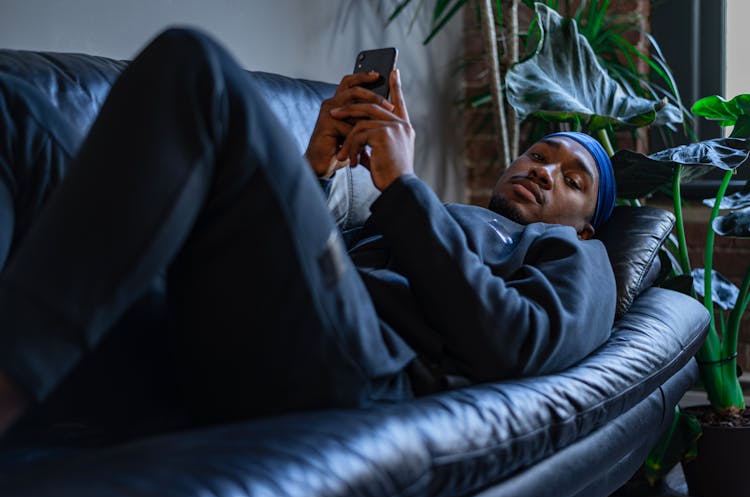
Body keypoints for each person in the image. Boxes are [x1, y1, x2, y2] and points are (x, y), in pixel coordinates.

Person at [0, 28, 617, 437]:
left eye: (573, 179)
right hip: (272, 320)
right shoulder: (454, 219)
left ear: (588, 222)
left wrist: (402, 187)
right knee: (17, 111)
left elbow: (516, 343)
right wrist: (316, 169)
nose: (544, 171)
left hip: (365, 366)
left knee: (194, 68)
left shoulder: (577, 255)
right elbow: (308, 261)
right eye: (539, 154)